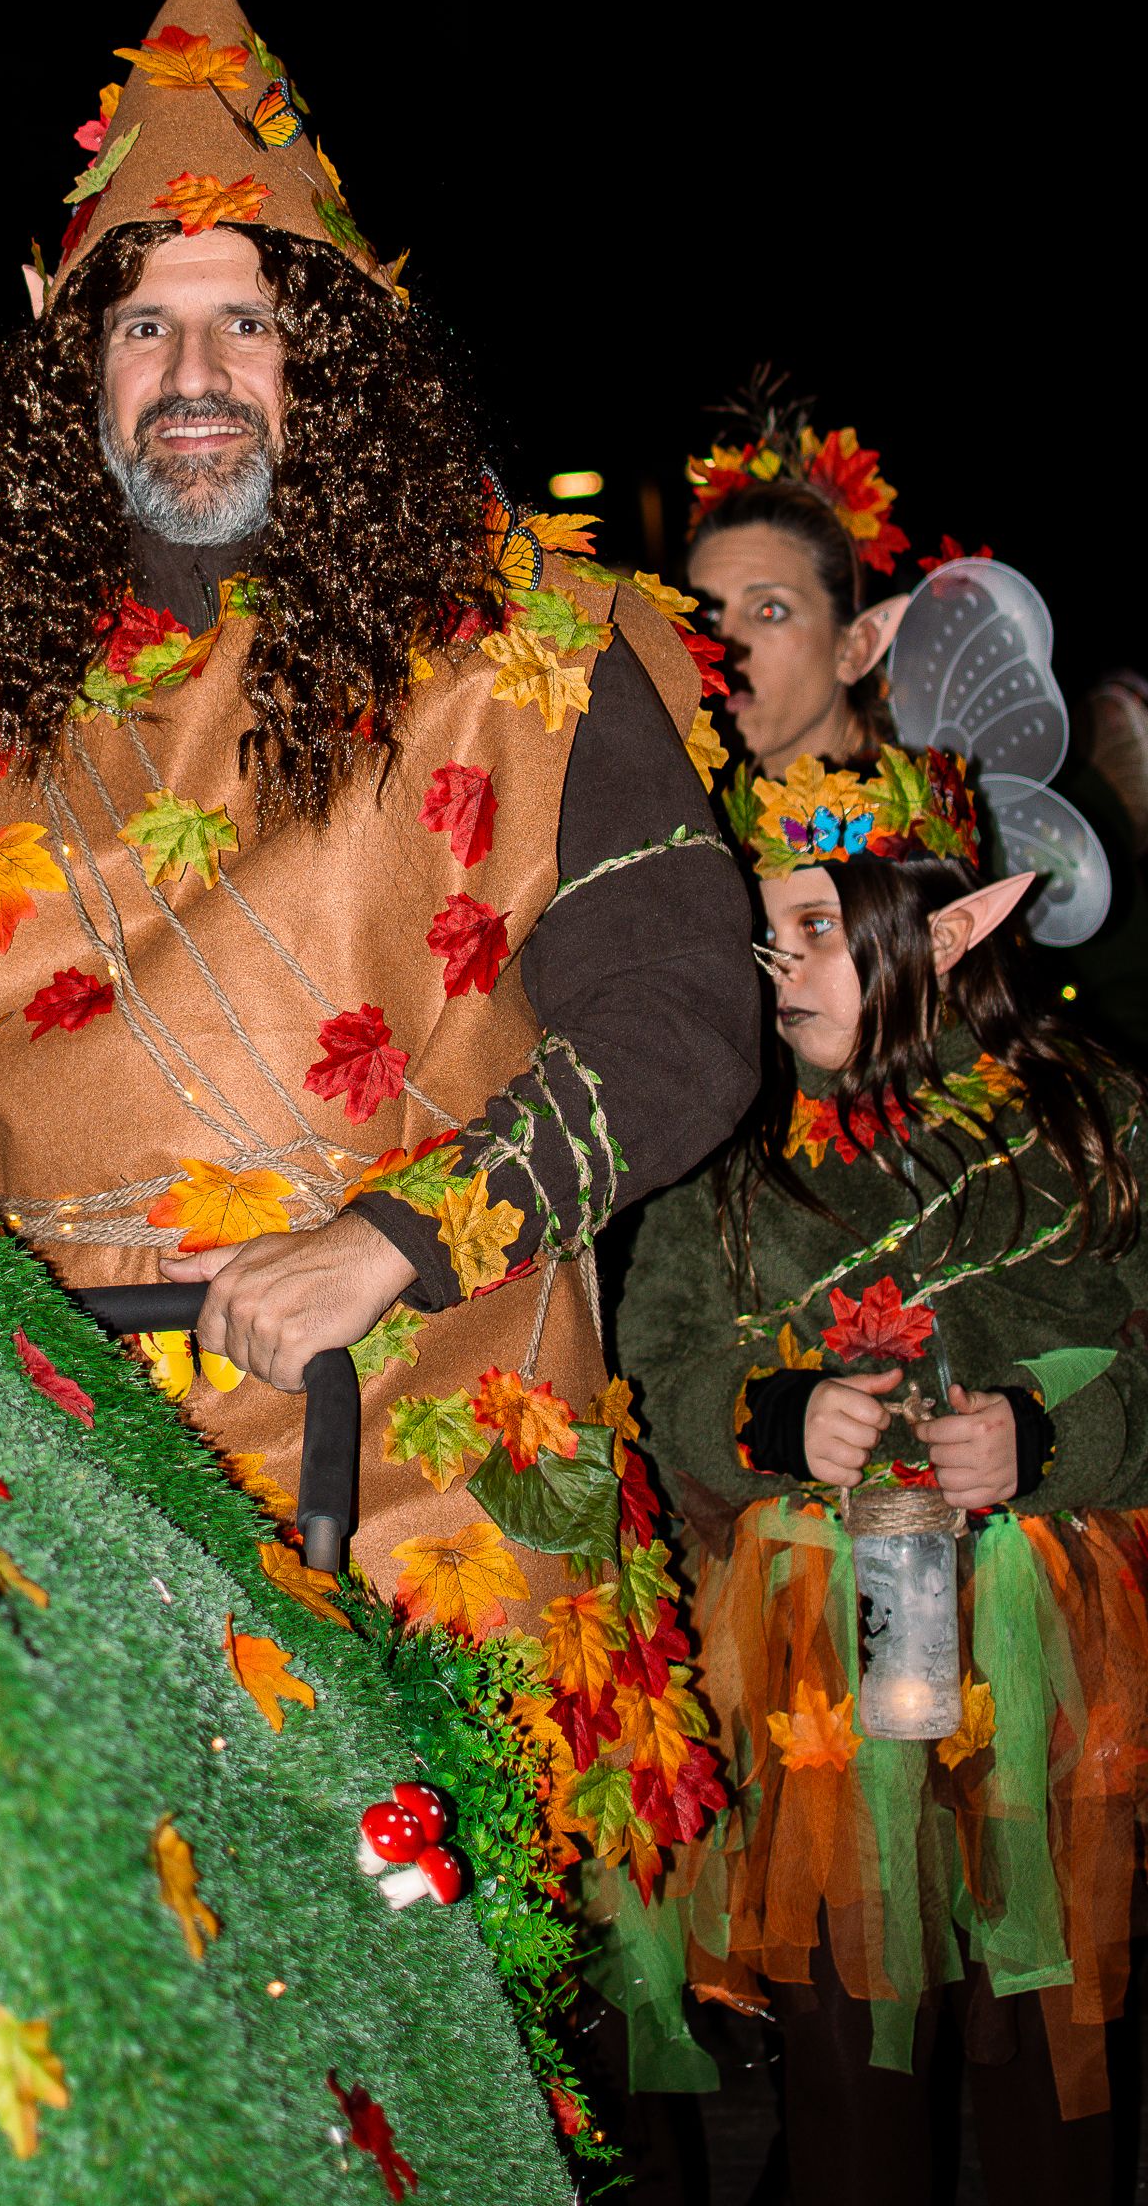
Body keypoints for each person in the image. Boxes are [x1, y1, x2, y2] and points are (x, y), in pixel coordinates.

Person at [0, 0, 760, 1663]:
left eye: (244, 321)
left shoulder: (524, 650)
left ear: (324, 354)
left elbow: (685, 1025)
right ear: (77, 367)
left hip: (436, 1510)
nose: (192, 373)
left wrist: (393, 1244)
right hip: (60, 1518)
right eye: (144, 325)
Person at [618, 739, 1148, 2199]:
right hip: (817, 1665)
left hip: (1048, 1641)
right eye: (762, 931)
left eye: (813, 930)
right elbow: (649, 1374)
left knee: (1056, 2043)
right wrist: (765, 1419)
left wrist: (1052, 1440)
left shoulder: (1083, 1125)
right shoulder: (723, 1148)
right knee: (856, 2049)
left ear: (952, 930)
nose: (777, 967)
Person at [685, 388, 911, 773]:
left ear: (856, 647)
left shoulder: (926, 824)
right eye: (708, 616)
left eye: (769, 611)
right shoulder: (685, 814)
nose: (720, 649)